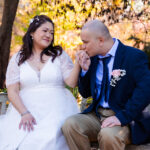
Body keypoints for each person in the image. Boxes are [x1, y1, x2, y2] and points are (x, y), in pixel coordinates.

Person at [62, 20, 150, 150]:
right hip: (97, 115)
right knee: (70, 125)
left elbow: (145, 91)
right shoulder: (92, 58)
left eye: (86, 42)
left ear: (101, 40)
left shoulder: (133, 57)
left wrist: (122, 117)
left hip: (125, 118)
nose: (83, 47)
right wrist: (85, 71)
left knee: (108, 135)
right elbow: (85, 93)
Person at [0, 15, 80, 150]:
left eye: (52, 32)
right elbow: (12, 90)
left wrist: (78, 63)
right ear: (32, 32)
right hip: (25, 109)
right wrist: (24, 113)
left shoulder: (59, 55)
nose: (49, 35)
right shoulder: (18, 59)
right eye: (45, 30)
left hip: (57, 109)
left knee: (50, 136)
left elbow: (71, 83)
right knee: (23, 140)